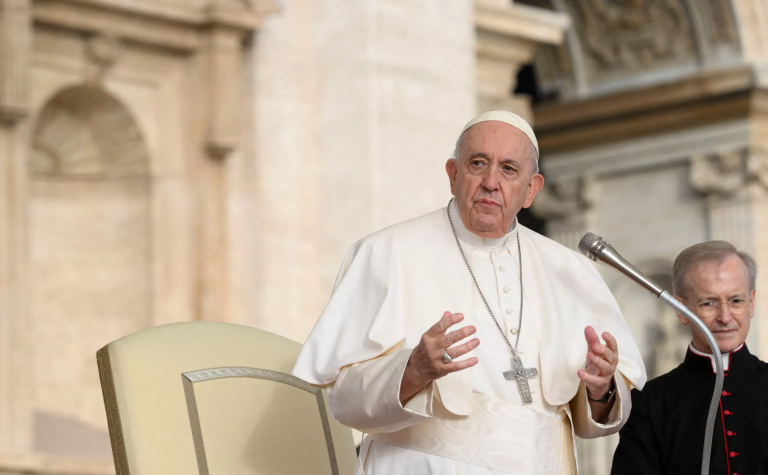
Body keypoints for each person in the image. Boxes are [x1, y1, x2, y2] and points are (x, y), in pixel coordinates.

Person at [292, 110, 646, 474]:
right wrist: (412, 370)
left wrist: (601, 388)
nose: (491, 181)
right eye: (478, 163)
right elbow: (342, 398)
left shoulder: (570, 270)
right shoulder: (386, 253)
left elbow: (599, 419)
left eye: (509, 169)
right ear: (453, 174)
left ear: (531, 189)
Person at [612, 241, 768, 474]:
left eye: (736, 301)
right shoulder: (648, 405)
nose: (725, 317)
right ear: (681, 311)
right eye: (709, 303)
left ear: (752, 303)